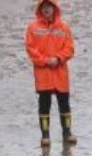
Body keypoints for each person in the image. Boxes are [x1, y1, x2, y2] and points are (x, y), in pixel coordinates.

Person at [25, 0, 76, 147]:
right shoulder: (32, 28)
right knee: (44, 104)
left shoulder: (64, 27)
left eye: (49, 6)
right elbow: (31, 50)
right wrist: (46, 61)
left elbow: (70, 48)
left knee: (64, 104)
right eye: (43, 7)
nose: (46, 9)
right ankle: (45, 136)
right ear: (39, 9)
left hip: (60, 72)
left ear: (55, 8)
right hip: (43, 73)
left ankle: (67, 133)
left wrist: (58, 58)